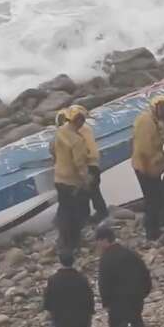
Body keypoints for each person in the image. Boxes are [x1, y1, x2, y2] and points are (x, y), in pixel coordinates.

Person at [94, 225, 151, 327]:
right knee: (137, 323)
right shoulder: (129, 253)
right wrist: (144, 292)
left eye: (98, 240)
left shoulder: (106, 259)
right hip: (135, 298)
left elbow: (104, 283)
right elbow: (145, 273)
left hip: (117, 302)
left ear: (105, 240)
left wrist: (106, 302)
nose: (97, 244)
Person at [52, 106, 96, 256]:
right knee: (75, 214)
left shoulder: (61, 132)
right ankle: (74, 243)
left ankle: (63, 241)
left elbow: (53, 150)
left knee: (64, 211)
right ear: (79, 120)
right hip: (72, 182)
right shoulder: (77, 140)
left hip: (59, 178)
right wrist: (86, 178)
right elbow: (79, 164)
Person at [131, 96, 164, 241]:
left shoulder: (152, 120)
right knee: (153, 200)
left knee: (154, 199)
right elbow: (145, 149)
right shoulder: (147, 123)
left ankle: (153, 227)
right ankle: (152, 231)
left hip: (150, 167)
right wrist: (158, 161)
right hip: (146, 169)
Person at [62, 105, 109, 222]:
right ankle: (99, 213)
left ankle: (93, 215)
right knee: (93, 191)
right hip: (93, 164)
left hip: (87, 166)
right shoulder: (86, 129)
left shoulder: (77, 131)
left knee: (87, 193)